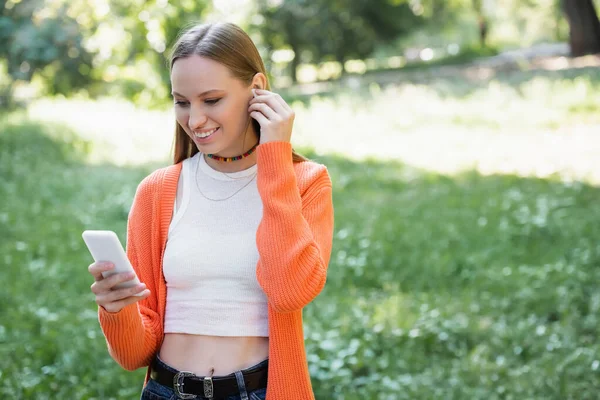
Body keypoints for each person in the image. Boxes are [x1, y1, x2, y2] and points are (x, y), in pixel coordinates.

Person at [87, 21, 334, 400]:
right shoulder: (156, 192)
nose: (195, 120)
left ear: (258, 90)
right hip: (165, 390)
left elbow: (290, 291)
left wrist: (274, 160)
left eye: (212, 100)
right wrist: (117, 310)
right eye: (182, 102)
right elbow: (134, 354)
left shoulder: (304, 183)